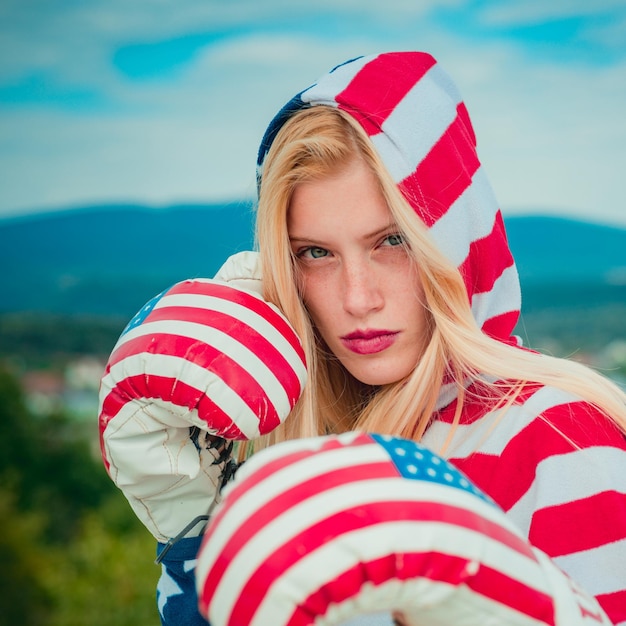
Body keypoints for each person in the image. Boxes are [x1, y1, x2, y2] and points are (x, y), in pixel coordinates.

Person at [99, 51, 626, 625]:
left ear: (453, 238)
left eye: (391, 241)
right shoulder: (305, 449)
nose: (357, 298)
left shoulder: (559, 436)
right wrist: (198, 530)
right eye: (316, 253)